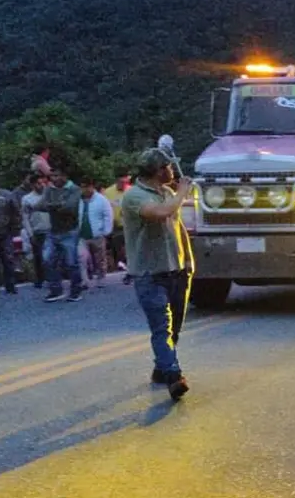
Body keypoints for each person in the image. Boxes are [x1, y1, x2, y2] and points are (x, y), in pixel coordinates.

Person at [121, 148, 195, 401]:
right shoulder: (134, 196)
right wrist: (183, 191)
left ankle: (161, 367)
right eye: (169, 167)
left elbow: (177, 226)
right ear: (159, 170)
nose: (173, 171)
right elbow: (160, 213)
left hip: (176, 270)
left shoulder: (167, 193)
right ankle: (174, 376)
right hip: (149, 273)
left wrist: (188, 261)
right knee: (161, 328)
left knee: (174, 328)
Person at [36, 167, 84, 302]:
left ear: (65, 176)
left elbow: (70, 207)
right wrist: (58, 205)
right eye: (52, 176)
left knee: (71, 262)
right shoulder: (49, 189)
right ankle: (56, 290)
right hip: (53, 231)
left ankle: (76, 291)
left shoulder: (74, 189)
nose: (54, 179)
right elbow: (39, 206)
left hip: (70, 231)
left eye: (57, 176)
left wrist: (51, 206)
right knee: (47, 259)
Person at [78, 177, 115, 288]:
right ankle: (84, 280)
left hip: (97, 234)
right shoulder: (78, 200)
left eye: (86, 187)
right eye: (82, 187)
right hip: (82, 235)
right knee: (81, 257)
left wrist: (106, 231)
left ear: (91, 187)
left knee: (100, 258)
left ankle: (101, 277)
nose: (84, 190)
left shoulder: (101, 199)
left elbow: (108, 215)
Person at [20, 174, 51, 288]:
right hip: (37, 230)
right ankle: (40, 279)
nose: (41, 185)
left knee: (51, 256)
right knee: (38, 256)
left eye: (43, 183)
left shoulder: (49, 195)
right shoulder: (27, 199)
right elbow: (25, 217)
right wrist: (30, 232)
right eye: (38, 183)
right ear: (33, 185)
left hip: (50, 229)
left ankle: (52, 277)